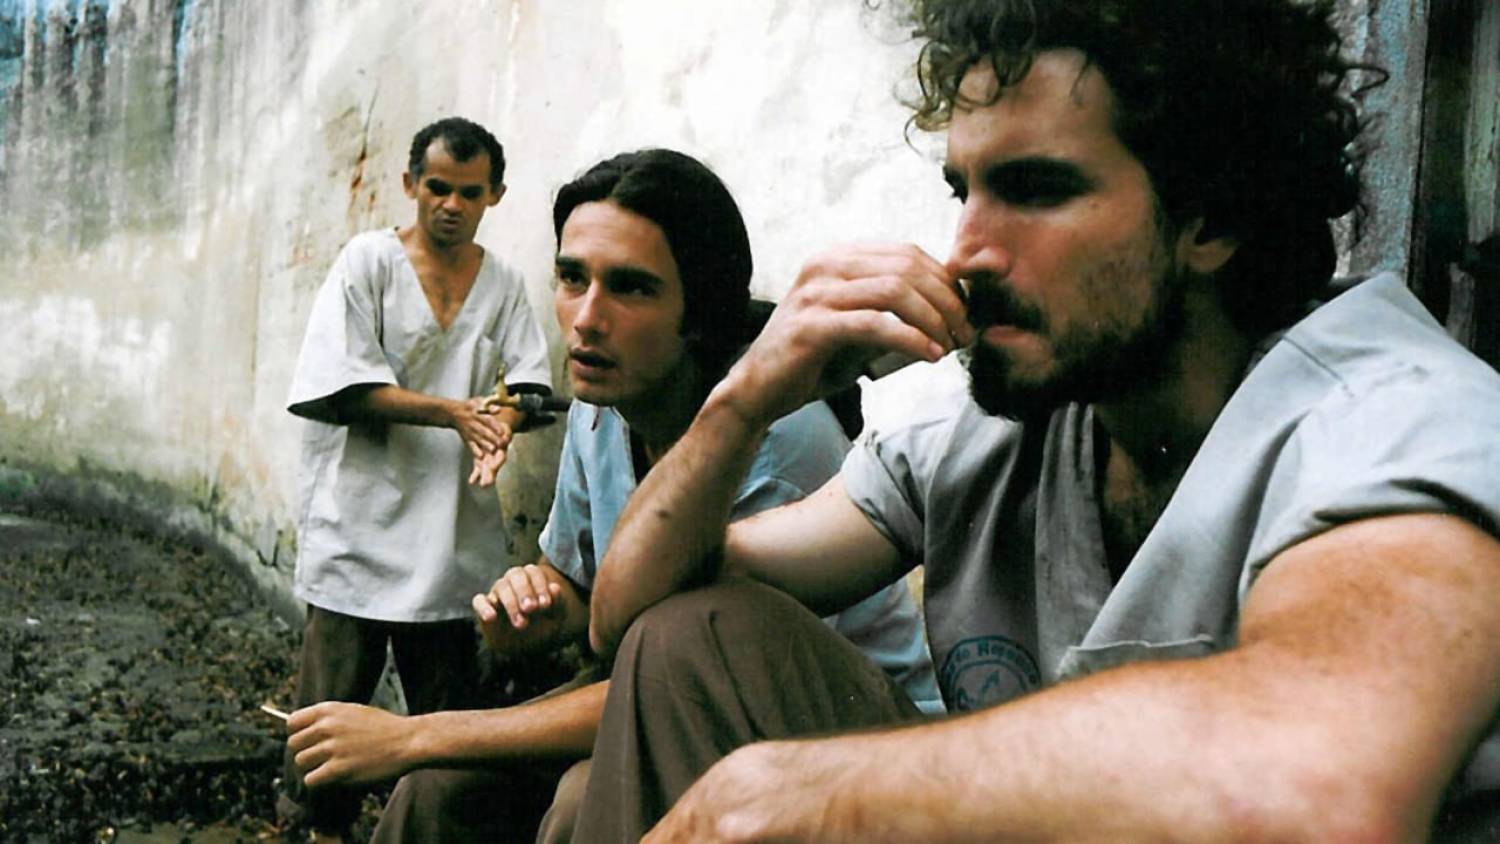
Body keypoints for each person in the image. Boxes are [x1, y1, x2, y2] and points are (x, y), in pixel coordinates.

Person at [571, 1, 1500, 841]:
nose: (968, 251)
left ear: (1210, 219)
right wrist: (745, 397)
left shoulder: (1395, 416)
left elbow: (1318, 786)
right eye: (963, 192)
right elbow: (631, 617)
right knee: (693, 638)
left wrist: (817, 794)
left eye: (1037, 189)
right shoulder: (992, 423)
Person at [284, 148, 940, 843]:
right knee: (435, 795)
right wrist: (538, 601)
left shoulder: (776, 441)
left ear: (698, 312)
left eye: (630, 288)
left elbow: (697, 671)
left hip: (820, 732)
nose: (586, 319)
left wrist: (419, 735)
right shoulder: (602, 406)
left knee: (572, 800)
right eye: (573, 278)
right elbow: (582, 589)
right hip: (651, 684)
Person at [279, 116, 552, 841]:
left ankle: (434, 827)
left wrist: (498, 426)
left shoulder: (502, 283)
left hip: (449, 532)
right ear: (410, 185)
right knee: (330, 702)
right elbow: (338, 389)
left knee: (447, 715)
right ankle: (320, 829)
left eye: (470, 192)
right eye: (437, 188)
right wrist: (454, 414)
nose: (451, 205)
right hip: (358, 521)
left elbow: (530, 387)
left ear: (495, 195)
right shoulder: (368, 263)